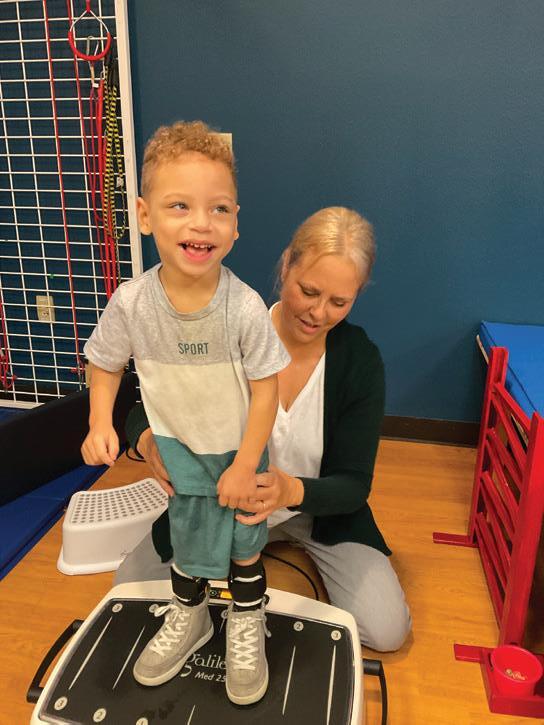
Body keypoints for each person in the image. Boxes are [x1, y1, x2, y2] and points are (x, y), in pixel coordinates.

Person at [120, 206, 412, 654]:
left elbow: (353, 485)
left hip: (315, 511)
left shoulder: (359, 361)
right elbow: (143, 406)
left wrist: (289, 491)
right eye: (308, 291)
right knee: (130, 589)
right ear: (286, 265)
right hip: (220, 502)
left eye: (339, 302)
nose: (318, 313)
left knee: (386, 630)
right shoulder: (230, 326)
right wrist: (148, 441)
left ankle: (259, 564)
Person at [81, 120, 290, 705]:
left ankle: (246, 618)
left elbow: (267, 391)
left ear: (236, 224)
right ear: (145, 216)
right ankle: (190, 615)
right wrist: (100, 422)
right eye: (180, 206)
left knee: (246, 545)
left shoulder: (244, 307)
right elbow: (104, 363)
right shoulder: (132, 303)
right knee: (188, 542)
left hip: (239, 453)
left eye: (218, 209)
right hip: (179, 453)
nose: (201, 223)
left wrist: (246, 464)